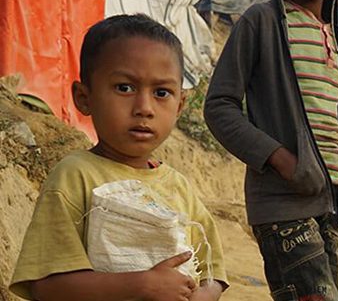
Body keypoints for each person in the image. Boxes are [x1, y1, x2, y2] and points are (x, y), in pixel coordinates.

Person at [204, 0, 338, 301]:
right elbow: (219, 106)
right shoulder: (261, 24)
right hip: (281, 205)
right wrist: (280, 159)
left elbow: (335, 122)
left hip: (328, 205)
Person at [9, 15, 228, 301]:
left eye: (162, 92)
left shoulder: (179, 187)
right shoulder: (76, 176)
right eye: (125, 88)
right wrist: (142, 285)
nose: (144, 108)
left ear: (180, 105)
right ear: (83, 97)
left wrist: (203, 295)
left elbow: (214, 275)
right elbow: (46, 286)